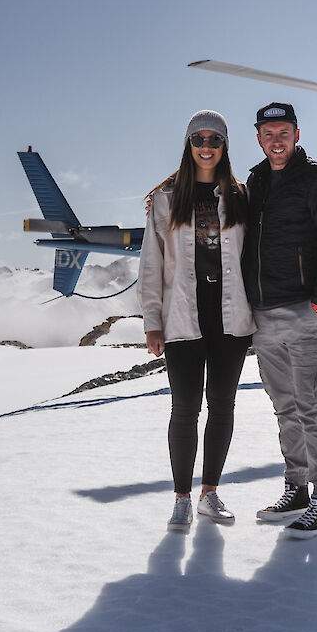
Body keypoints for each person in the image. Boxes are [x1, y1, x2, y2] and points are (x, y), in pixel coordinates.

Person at [140, 110, 256, 532]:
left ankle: (209, 493)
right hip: (181, 316)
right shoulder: (167, 198)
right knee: (185, 407)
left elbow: (251, 259)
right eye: (198, 139)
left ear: (225, 146)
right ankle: (181, 499)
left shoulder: (241, 196)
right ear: (187, 145)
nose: (206, 147)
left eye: (215, 140)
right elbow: (151, 264)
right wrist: (152, 321)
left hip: (231, 317)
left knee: (222, 405)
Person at [243, 102, 317, 540]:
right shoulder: (254, 181)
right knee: (284, 407)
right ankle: (296, 488)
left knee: (312, 409)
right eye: (268, 132)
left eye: (283, 131)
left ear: (297, 133)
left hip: (304, 313)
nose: (276, 139)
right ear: (258, 137)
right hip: (264, 316)